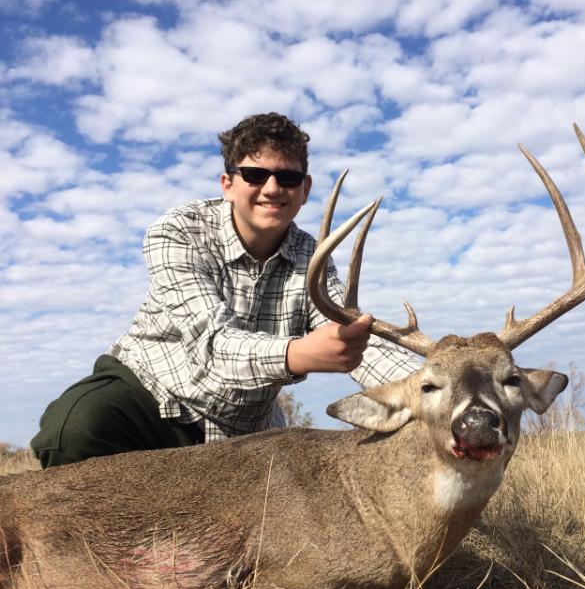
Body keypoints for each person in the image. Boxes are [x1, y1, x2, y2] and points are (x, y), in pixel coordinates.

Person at [31, 112, 419, 468]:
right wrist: (299, 353)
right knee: (76, 429)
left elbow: (357, 341)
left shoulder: (312, 257)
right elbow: (211, 346)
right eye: (254, 175)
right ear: (228, 183)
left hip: (243, 428)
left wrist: (437, 382)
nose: (271, 189)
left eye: (287, 178)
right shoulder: (178, 231)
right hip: (153, 398)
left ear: (305, 189)